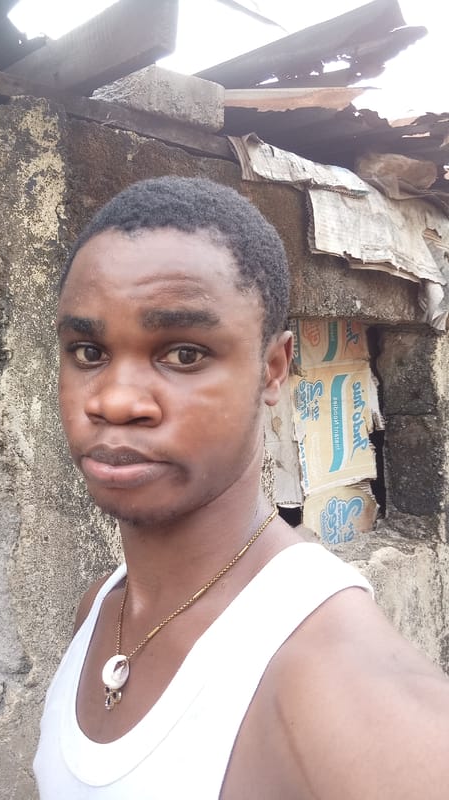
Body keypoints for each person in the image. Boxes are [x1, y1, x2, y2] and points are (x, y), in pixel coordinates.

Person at [34, 176, 449, 799]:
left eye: (183, 354)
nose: (115, 400)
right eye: (88, 351)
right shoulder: (102, 609)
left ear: (273, 369)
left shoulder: (341, 682)